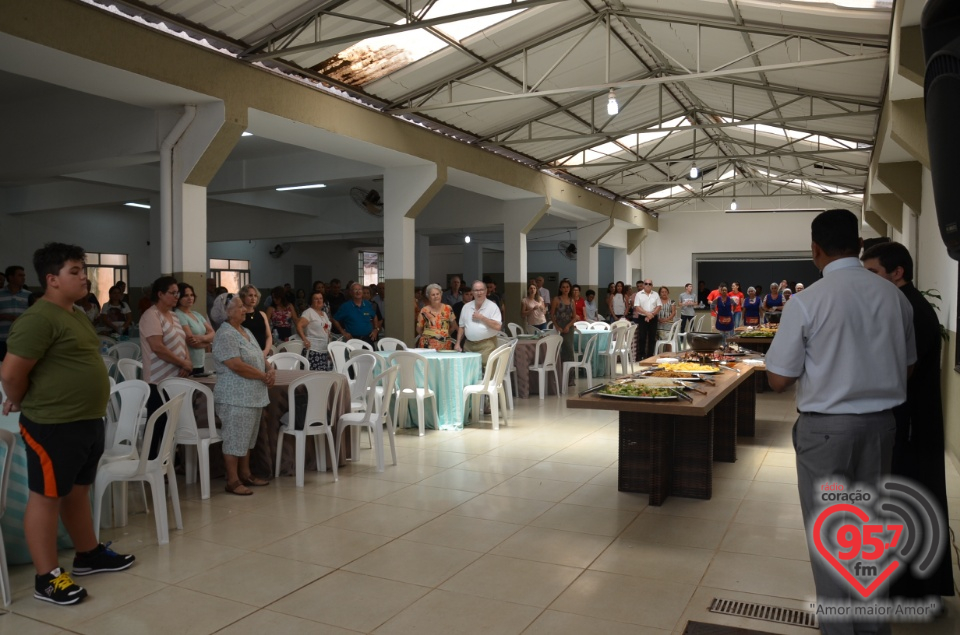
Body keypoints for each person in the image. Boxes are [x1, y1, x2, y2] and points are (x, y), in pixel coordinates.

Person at [765, 209, 916, 635]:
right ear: (860, 245)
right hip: (882, 429)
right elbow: (907, 368)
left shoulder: (808, 300)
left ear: (815, 250)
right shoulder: (895, 297)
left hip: (826, 432)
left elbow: (778, 379)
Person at [1, 243, 134, 606]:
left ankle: (87, 555)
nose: (84, 278)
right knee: (45, 498)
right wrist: (21, 397)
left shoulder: (74, 313)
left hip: (86, 420)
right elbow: (11, 373)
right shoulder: (38, 318)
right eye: (74, 271)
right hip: (52, 423)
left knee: (77, 492)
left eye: (83, 270)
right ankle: (46, 577)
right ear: (52, 279)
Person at [861, 241, 954, 599]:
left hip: (913, 423)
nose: (867, 282)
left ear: (897, 272)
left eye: (873, 274)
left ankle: (911, 586)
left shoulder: (910, 308)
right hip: (909, 419)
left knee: (909, 500)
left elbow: (902, 371)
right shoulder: (905, 303)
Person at [213, 295, 275, 496]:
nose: (244, 309)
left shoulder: (245, 330)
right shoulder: (225, 334)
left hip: (253, 395)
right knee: (234, 439)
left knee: (247, 438)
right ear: (226, 312)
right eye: (239, 307)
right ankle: (232, 480)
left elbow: (259, 355)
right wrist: (263, 376)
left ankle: (246, 474)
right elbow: (236, 365)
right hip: (235, 396)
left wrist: (269, 369)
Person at [140, 276, 193, 456]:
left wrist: (188, 362)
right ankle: (150, 461)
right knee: (158, 423)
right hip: (158, 380)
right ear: (160, 294)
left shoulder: (174, 316)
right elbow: (158, 347)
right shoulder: (151, 315)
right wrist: (182, 362)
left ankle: (167, 461)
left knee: (172, 424)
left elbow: (182, 341)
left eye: (177, 293)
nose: (176, 296)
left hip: (177, 378)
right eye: (172, 293)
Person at [455, 280, 501, 366]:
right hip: (469, 345)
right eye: (476, 290)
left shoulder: (492, 307)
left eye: (481, 290)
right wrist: (458, 343)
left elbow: (498, 326)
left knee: (487, 372)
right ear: (472, 292)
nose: (479, 293)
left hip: (487, 344)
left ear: (486, 291)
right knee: (468, 371)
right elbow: (462, 327)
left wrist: (482, 318)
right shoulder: (466, 307)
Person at [174, 282, 215, 375]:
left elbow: (213, 333)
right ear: (179, 297)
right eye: (186, 296)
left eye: (192, 295)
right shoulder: (179, 314)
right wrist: (208, 341)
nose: (190, 298)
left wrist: (201, 338)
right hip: (188, 364)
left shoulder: (197, 314)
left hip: (200, 362)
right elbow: (192, 343)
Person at [296, 290, 333, 371]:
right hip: (313, 350)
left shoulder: (324, 314)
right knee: (313, 376)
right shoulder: (308, 312)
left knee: (324, 376)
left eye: (321, 298)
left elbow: (327, 330)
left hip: (324, 350)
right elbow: (299, 326)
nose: (319, 300)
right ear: (311, 301)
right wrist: (304, 339)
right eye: (316, 299)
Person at [0, 265, 32, 360]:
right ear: (10, 277)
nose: (23, 278)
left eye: (24, 275)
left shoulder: (29, 295)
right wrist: (4, 316)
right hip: (2, 340)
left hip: (22, 339)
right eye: (20, 275)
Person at [416, 283, 457, 350]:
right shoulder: (424, 310)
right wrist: (429, 336)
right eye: (433, 295)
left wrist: (444, 334)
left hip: (445, 344)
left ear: (441, 294)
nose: (436, 296)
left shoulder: (448, 308)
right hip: (427, 345)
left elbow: (453, 326)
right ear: (428, 297)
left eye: (437, 294)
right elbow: (418, 329)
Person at [238, 285, 272, 357]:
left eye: (255, 296)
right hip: (246, 354)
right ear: (243, 297)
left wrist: (265, 351)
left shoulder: (262, 314)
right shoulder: (239, 315)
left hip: (263, 353)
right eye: (250, 295)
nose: (253, 298)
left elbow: (269, 336)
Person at [632, 279, 661, 360]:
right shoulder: (638, 294)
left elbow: (659, 306)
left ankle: (650, 355)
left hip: (653, 317)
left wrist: (651, 315)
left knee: (652, 337)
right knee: (642, 337)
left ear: (652, 285)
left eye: (650, 284)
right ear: (643, 285)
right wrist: (647, 313)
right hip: (642, 318)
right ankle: (641, 355)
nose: (648, 285)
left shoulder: (655, 294)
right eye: (646, 283)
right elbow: (637, 307)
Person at [551, 279, 575, 363]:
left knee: (569, 348)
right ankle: (560, 369)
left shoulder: (572, 300)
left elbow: (574, 316)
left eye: (567, 287)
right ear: (560, 289)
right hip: (559, 325)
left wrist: (568, 326)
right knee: (560, 348)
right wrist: (557, 326)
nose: (566, 289)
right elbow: (552, 314)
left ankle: (570, 371)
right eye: (564, 287)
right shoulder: (556, 299)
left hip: (569, 327)